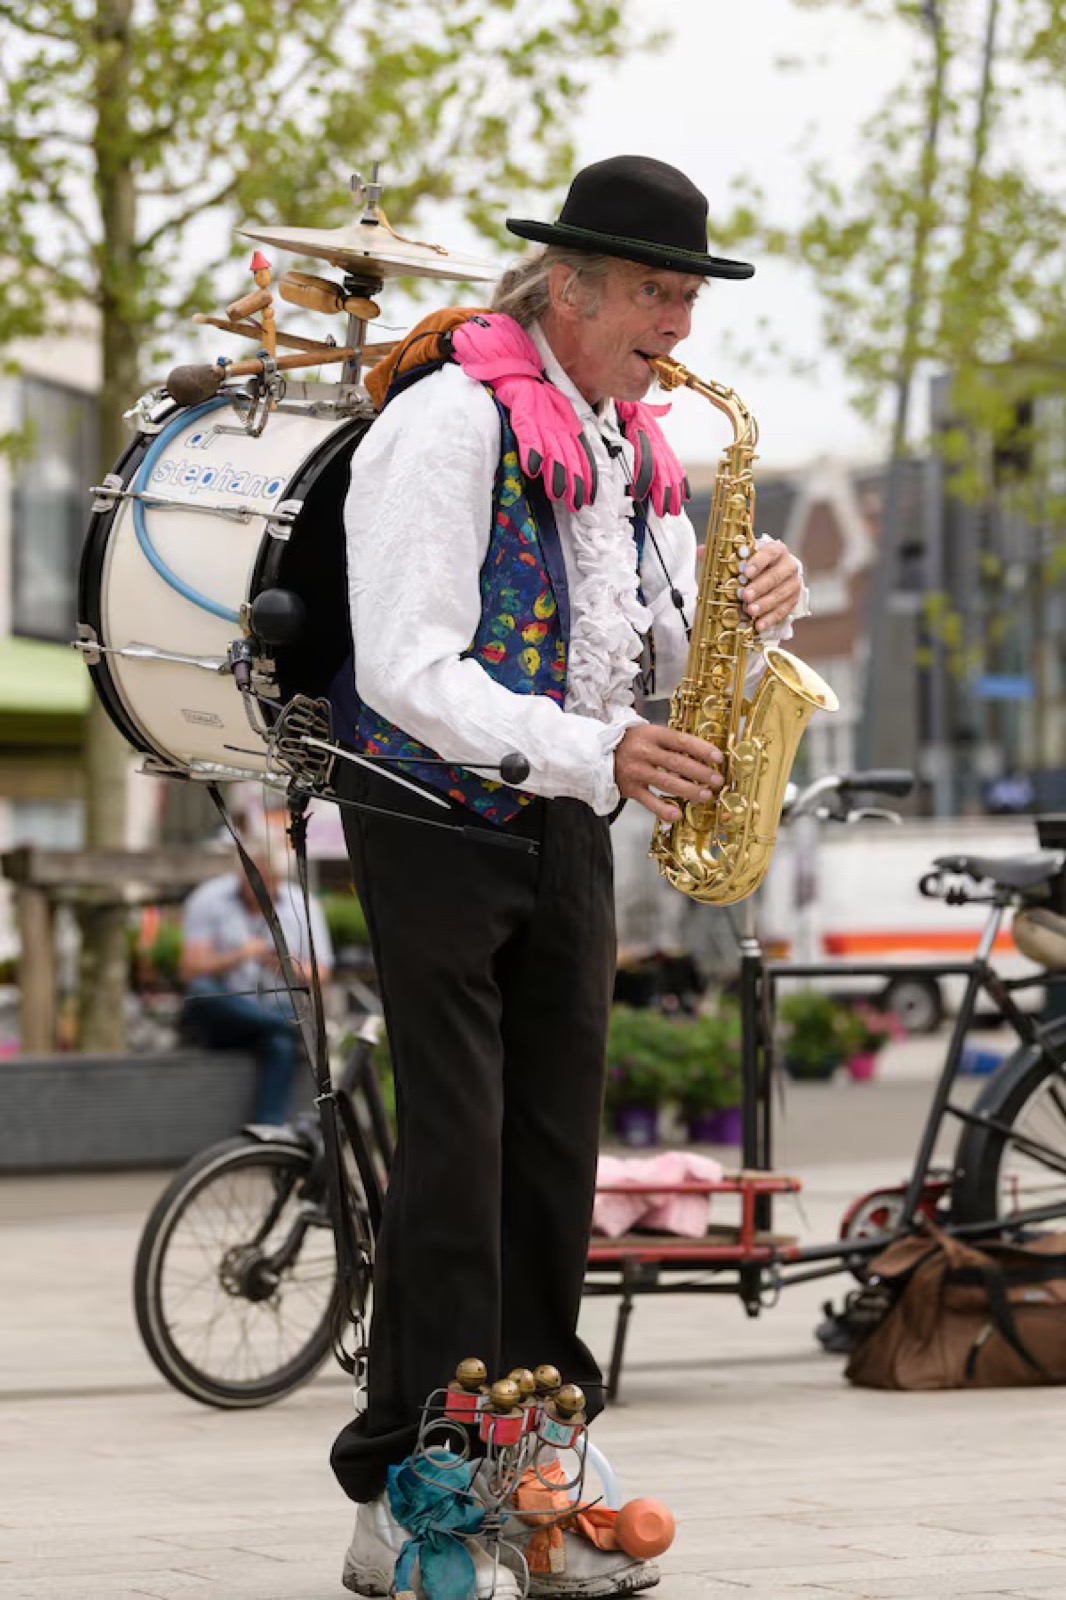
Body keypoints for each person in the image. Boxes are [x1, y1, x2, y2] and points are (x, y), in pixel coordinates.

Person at [330, 155, 808, 1597]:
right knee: (460, 1152)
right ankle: (426, 1477)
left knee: (546, 1158)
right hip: (426, 807)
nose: (680, 324)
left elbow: (656, 659)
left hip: (563, 812)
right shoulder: (445, 423)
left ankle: (525, 1448)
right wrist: (595, 750)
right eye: (659, 294)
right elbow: (408, 670)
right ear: (572, 286)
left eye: (687, 295)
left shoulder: (634, 448)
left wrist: (746, 608)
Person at [179, 811, 333, 1125]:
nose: (258, 889)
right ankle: (290, 1028)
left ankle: (266, 1129)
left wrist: (280, 961)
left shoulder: (302, 904)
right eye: (252, 879)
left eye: (266, 880)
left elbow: (322, 976)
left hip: (274, 1007)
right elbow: (189, 969)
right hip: (225, 1011)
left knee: (279, 1045)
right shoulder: (209, 898)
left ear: (278, 878)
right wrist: (239, 955)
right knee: (202, 992)